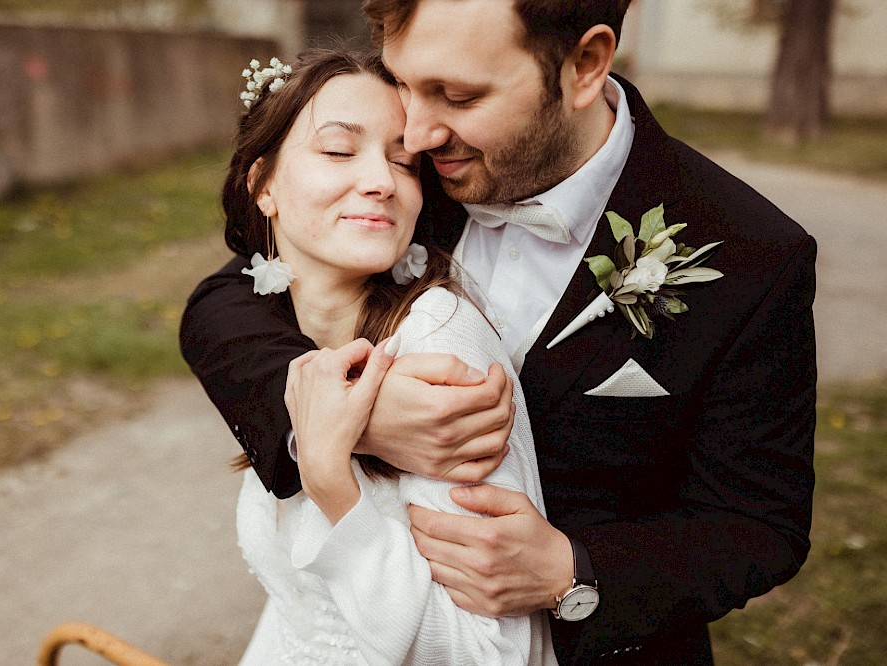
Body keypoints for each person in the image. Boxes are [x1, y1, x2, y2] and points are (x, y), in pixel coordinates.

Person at [181, 1, 817, 663]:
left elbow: (758, 526)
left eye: (458, 95)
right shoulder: (400, 172)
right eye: (404, 82)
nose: (419, 133)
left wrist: (575, 571)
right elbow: (232, 295)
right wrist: (349, 413)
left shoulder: (750, 255)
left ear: (585, 66)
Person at [206, 48, 556, 664]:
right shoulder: (275, 329)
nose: (382, 180)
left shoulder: (439, 347)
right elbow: (299, 613)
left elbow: (486, 655)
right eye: (340, 150)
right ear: (263, 185)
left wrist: (334, 487)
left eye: (403, 161)